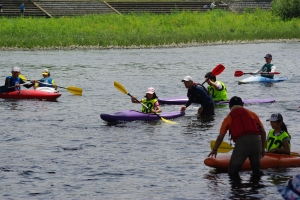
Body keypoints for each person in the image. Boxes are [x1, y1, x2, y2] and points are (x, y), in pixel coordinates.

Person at [208, 96, 266, 176]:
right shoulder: (252, 114)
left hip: (242, 144)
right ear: (242, 105)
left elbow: (220, 137)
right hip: (257, 142)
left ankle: (237, 188)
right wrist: (263, 149)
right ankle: (257, 187)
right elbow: (263, 132)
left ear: (229, 106)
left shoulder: (228, 118)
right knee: (257, 171)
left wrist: (215, 149)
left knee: (232, 172)